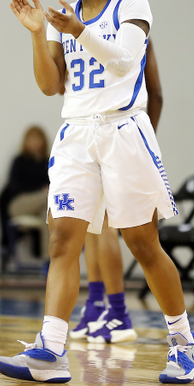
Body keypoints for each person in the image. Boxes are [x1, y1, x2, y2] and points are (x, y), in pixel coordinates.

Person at [0, 0, 194, 384]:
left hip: (123, 130)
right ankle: (51, 351)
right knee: (62, 242)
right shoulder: (60, 19)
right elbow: (51, 86)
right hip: (76, 133)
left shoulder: (132, 5)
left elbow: (127, 62)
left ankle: (185, 344)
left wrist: (79, 31)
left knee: (142, 243)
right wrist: (39, 34)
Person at [70, 40, 163, 343]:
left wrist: (143, 136)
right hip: (104, 136)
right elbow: (157, 94)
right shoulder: (110, 30)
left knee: (108, 229)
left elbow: (157, 94)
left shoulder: (128, 30)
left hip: (117, 136)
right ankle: (97, 305)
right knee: (92, 227)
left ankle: (119, 311)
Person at [0, 126, 49, 272]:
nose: (35, 143)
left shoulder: (48, 162)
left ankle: (48, 261)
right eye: (32, 139)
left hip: (42, 205)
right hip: (20, 204)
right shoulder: (19, 161)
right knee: (50, 196)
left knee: (49, 214)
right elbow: (14, 186)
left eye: (38, 139)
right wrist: (40, 188)